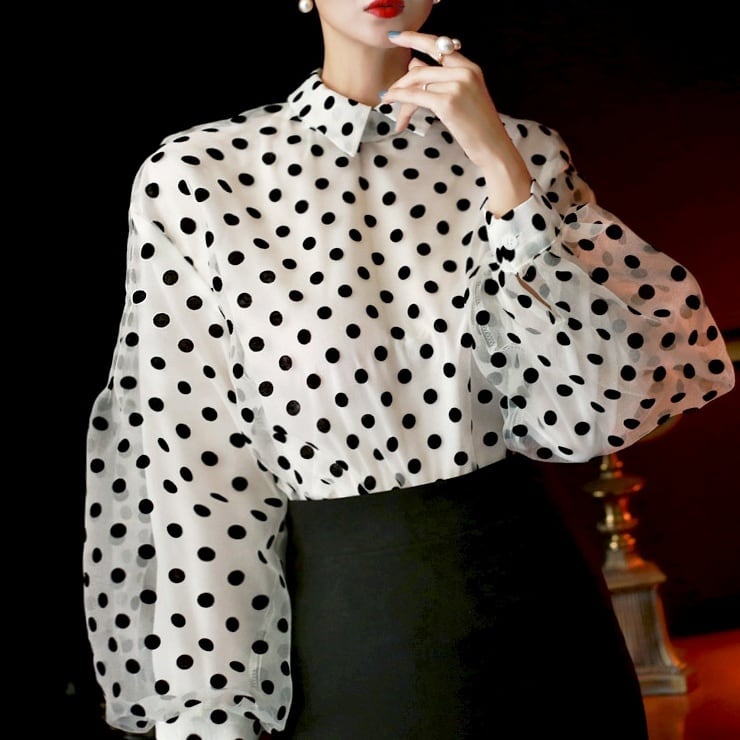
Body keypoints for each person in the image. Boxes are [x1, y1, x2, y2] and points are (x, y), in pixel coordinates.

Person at [82, 1, 735, 738]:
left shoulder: (526, 149)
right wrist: (211, 708)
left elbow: (606, 408)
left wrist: (500, 166)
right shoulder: (198, 177)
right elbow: (191, 463)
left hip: (547, 612)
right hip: (352, 635)